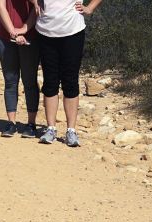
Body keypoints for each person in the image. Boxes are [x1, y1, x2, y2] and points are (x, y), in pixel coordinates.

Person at [33, 0, 101, 146]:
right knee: (50, 81)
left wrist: (90, 8)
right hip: (46, 31)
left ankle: (71, 130)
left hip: (72, 31)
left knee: (70, 81)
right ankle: (51, 128)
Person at [0, 0, 40, 137]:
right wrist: (13, 31)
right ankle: (11, 122)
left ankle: (31, 123)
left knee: (30, 81)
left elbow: (36, 7)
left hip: (31, 35)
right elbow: (1, 7)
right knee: (10, 81)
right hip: (5, 36)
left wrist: (24, 29)